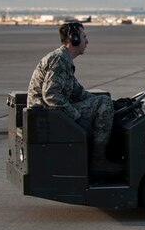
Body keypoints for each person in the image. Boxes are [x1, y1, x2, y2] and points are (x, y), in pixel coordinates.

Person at [27, 22, 122, 174]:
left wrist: (115, 104)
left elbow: (79, 93)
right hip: (47, 115)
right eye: (84, 37)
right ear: (74, 39)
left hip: (50, 113)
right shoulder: (59, 60)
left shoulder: (64, 60)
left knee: (104, 101)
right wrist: (77, 117)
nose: (87, 42)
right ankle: (98, 161)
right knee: (102, 103)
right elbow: (51, 95)